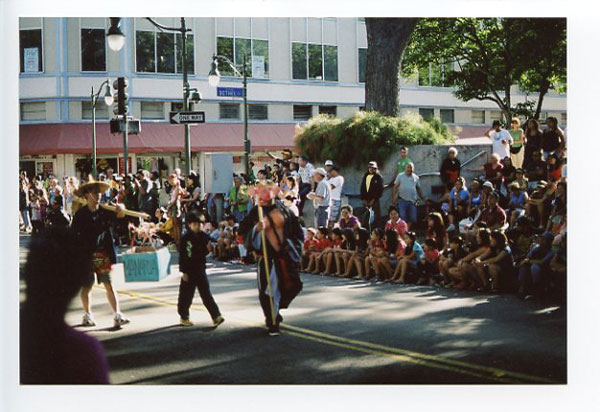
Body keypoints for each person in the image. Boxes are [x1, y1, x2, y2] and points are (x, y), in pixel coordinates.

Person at [20, 227, 110, 384]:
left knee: (109, 285)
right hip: (96, 255)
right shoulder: (84, 353)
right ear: (75, 285)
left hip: (99, 254)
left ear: (28, 274)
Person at [238, 182, 304, 336]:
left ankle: (276, 311)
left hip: (284, 258)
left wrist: (294, 249)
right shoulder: (256, 212)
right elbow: (243, 230)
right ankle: (272, 320)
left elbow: (297, 232)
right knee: (269, 291)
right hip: (267, 259)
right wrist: (256, 229)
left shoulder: (285, 211)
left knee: (291, 286)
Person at [70, 177, 129, 328]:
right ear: (87, 195)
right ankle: (87, 314)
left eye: (99, 193)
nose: (98, 195)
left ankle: (117, 314)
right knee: (87, 286)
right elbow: (72, 237)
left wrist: (121, 213)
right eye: (95, 193)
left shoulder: (105, 212)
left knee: (109, 284)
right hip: (86, 255)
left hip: (102, 254)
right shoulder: (80, 215)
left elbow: (119, 223)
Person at [177, 211, 225, 327]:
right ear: (189, 225)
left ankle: (216, 316)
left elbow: (210, 242)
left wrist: (215, 243)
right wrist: (184, 272)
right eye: (195, 224)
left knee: (206, 294)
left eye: (199, 224)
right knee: (186, 295)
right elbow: (184, 256)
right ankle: (184, 316)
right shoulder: (186, 239)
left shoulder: (203, 236)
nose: (197, 227)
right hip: (189, 270)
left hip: (200, 269)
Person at [517, 231, 555, 300]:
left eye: (544, 240)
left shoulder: (551, 251)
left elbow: (542, 261)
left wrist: (529, 261)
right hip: (533, 265)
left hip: (545, 269)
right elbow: (528, 257)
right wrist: (526, 261)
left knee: (535, 268)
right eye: (541, 239)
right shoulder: (536, 247)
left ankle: (536, 288)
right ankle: (522, 288)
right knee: (524, 267)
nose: (541, 241)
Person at [392, 162, 427, 230]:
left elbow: (418, 188)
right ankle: (404, 231)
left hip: (413, 201)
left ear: (413, 169)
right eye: (408, 167)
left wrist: (422, 197)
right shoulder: (400, 176)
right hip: (402, 200)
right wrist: (394, 197)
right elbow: (395, 187)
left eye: (411, 168)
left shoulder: (415, 177)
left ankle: (405, 231)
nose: (409, 169)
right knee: (403, 217)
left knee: (413, 217)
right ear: (405, 168)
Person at [359, 161, 384, 229]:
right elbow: (362, 188)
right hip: (366, 200)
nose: (371, 169)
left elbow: (379, 190)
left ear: (375, 169)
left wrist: (373, 200)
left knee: (376, 217)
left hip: (374, 201)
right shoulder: (365, 176)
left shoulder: (378, 177)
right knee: (365, 216)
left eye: (373, 168)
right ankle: (365, 231)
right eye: (370, 168)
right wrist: (364, 199)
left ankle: (377, 230)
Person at [327, 164, 344, 229]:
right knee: (327, 219)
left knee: (332, 220)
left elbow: (330, 187)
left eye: (331, 171)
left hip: (334, 200)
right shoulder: (330, 179)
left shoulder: (339, 178)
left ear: (335, 171)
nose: (330, 173)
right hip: (329, 200)